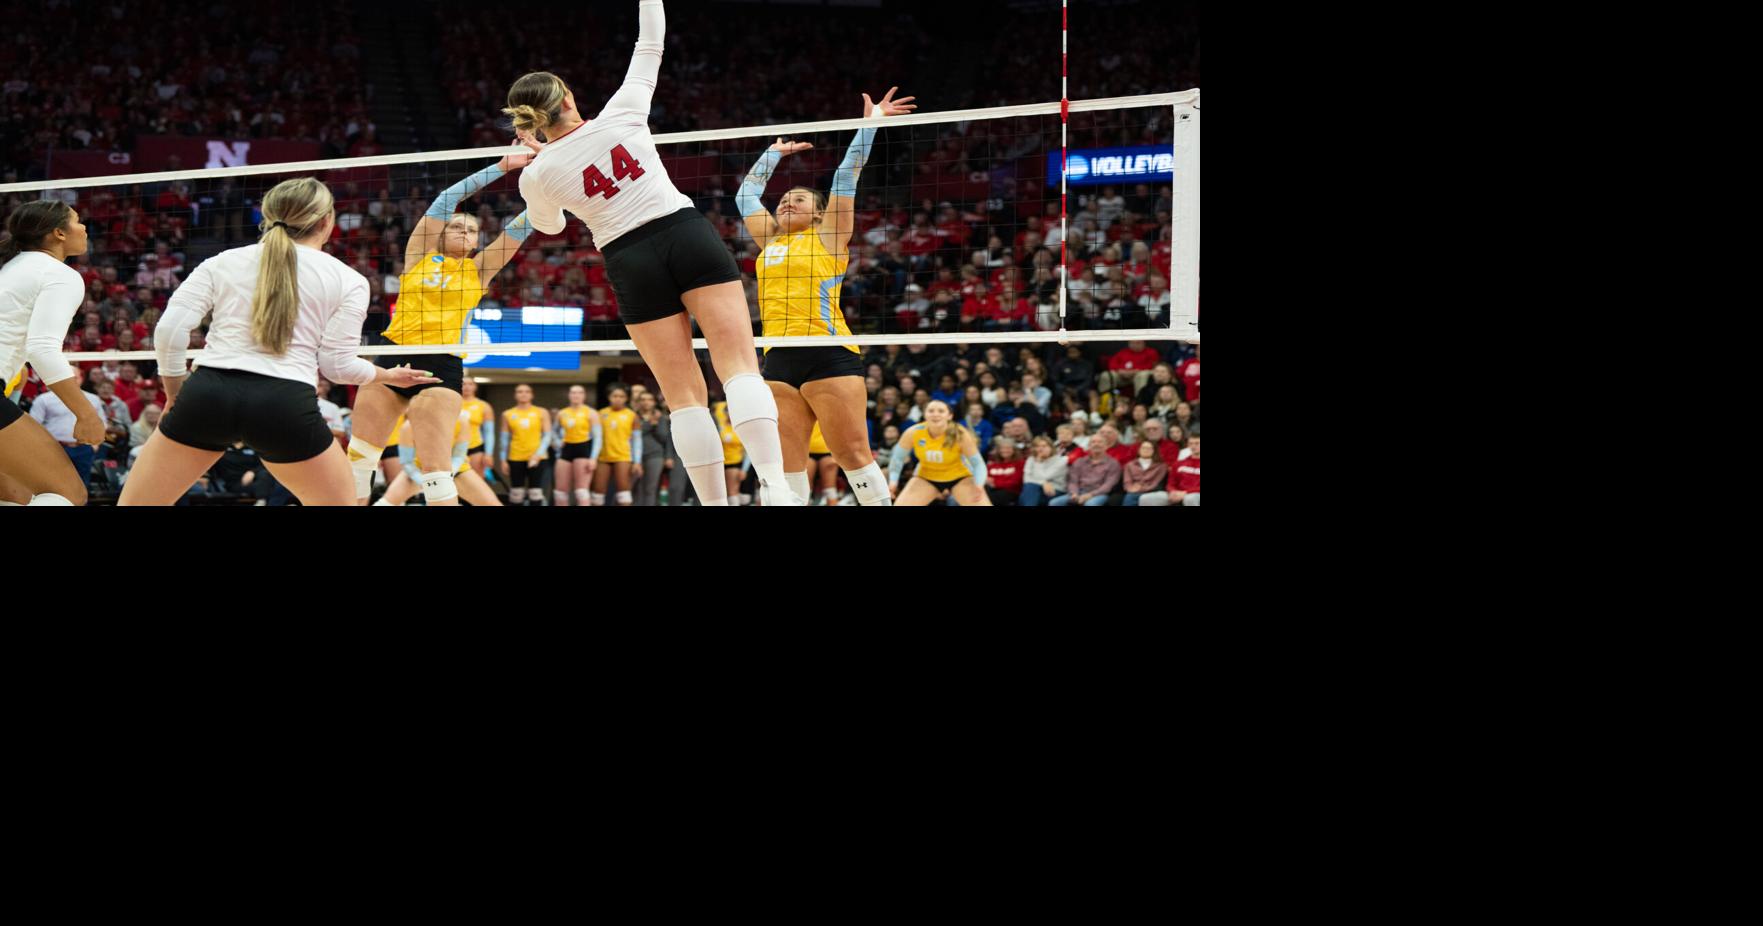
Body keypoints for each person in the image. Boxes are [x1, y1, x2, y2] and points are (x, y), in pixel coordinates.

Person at [505, 2, 793, 506]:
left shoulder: (537, 172)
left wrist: (538, 162)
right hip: (685, 235)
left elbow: (548, 227)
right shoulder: (623, 111)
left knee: (683, 397)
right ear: (568, 97)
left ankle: (713, 503)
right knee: (740, 369)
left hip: (628, 258)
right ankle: (777, 488)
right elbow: (650, 41)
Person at [121, 178, 436, 505]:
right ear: (327, 221)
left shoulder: (222, 261)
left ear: (268, 216)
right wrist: (386, 375)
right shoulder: (349, 279)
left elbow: (169, 331)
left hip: (209, 393)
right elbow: (337, 367)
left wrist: (175, 394)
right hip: (284, 404)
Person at [734, 85, 916, 507]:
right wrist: (773, 155)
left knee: (851, 455)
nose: (785, 204)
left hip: (828, 352)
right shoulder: (770, 241)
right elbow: (744, 195)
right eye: (782, 200)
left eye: (797, 199)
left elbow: (846, 174)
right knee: (787, 467)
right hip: (777, 356)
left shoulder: (830, 235)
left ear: (818, 212)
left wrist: (869, 125)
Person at [346, 145, 537, 507]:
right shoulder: (418, 256)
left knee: (436, 471)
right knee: (359, 461)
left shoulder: (479, 270)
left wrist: (551, 180)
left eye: (472, 231)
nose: (465, 233)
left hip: (441, 364)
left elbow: (522, 225)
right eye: (458, 227)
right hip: (393, 356)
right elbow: (445, 200)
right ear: (442, 233)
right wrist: (501, 167)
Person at [0, 200, 103, 506]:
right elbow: (42, 348)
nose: (84, 228)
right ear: (59, 232)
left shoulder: (12, 267)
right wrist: (86, 414)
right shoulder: (59, 274)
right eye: (78, 220)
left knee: (14, 495)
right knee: (66, 494)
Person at [888, 400, 989, 506]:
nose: (935, 414)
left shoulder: (960, 433)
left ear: (950, 416)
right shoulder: (913, 432)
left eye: (941, 411)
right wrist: (893, 481)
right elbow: (897, 459)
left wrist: (979, 484)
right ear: (925, 414)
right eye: (931, 411)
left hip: (960, 477)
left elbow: (978, 463)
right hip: (926, 477)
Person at [498, 383, 551, 505]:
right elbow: (504, 439)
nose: (523, 394)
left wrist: (537, 455)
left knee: (535, 492)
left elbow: (547, 436)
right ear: (515, 395)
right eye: (520, 391)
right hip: (516, 456)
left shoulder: (541, 412)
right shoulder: (507, 414)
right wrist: (503, 460)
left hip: (538, 457)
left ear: (532, 395)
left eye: (527, 391)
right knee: (516, 493)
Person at [554, 384, 602, 506]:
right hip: (566, 450)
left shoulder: (591, 413)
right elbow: (553, 432)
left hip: (583, 449)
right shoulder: (562, 413)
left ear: (584, 396)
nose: (576, 395)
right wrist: (558, 442)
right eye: (573, 392)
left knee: (581, 491)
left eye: (579, 392)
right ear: (569, 395)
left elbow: (598, 437)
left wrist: (593, 458)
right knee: (560, 491)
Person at [594, 384, 638, 506]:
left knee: (624, 492)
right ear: (609, 397)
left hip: (623, 456)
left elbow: (637, 440)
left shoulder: (632, 415)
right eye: (615, 396)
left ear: (626, 398)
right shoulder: (600, 414)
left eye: (621, 396)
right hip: (603, 456)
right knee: (598, 491)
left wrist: (637, 461)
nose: (618, 398)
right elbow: (594, 437)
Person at [1050, 435, 1121, 507]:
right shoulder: (1080, 461)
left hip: (1099, 494)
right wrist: (1074, 493)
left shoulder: (1113, 464)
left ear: (1106, 446)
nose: (1096, 444)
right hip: (1078, 492)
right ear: (1089, 446)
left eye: (1100, 442)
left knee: (1090, 504)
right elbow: (1073, 481)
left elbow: (1108, 485)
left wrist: (1090, 495)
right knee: (1054, 503)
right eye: (1093, 442)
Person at [459, 378, 495, 480]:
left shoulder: (483, 406)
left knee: (477, 479)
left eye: (470, 384)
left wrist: (488, 454)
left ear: (475, 387)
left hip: (475, 447)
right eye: (464, 384)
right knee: (455, 481)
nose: (467, 387)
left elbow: (489, 432)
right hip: (454, 447)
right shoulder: (453, 403)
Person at [1019, 435, 1067, 507]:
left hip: (1055, 490)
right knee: (1030, 488)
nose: (1040, 449)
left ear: (1051, 447)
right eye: (1037, 446)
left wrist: (1038, 462)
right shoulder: (1031, 459)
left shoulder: (1061, 460)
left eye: (1044, 446)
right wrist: (1043, 483)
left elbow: (1046, 476)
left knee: (1026, 495)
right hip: (1035, 490)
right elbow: (1026, 479)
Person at [1120, 440, 1170, 506]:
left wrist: (1141, 489)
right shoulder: (1130, 465)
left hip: (1152, 491)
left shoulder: (1161, 466)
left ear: (1154, 451)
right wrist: (1131, 488)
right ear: (1139, 450)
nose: (1146, 450)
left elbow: (1156, 482)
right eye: (1143, 448)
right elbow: (1127, 481)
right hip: (1133, 491)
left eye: (1149, 448)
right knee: (1130, 496)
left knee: (1131, 497)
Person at [985, 434, 1025, 506]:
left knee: (993, 497)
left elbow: (1015, 482)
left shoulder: (1020, 463)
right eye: (1002, 448)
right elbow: (986, 478)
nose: (1005, 450)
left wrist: (995, 483)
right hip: (992, 490)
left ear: (1014, 450)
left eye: (1008, 448)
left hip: (1010, 492)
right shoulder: (992, 464)